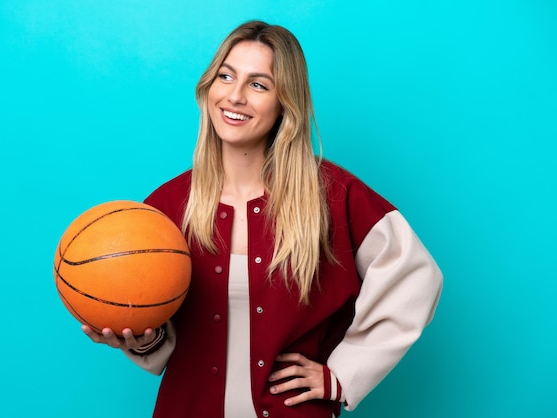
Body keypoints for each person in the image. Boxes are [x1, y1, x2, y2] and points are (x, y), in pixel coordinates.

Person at [82, 20, 443, 418]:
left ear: (285, 101)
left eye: (258, 85)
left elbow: (415, 276)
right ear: (208, 88)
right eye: (226, 76)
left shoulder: (333, 195)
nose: (234, 97)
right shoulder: (167, 207)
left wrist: (343, 373)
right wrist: (136, 335)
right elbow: (163, 337)